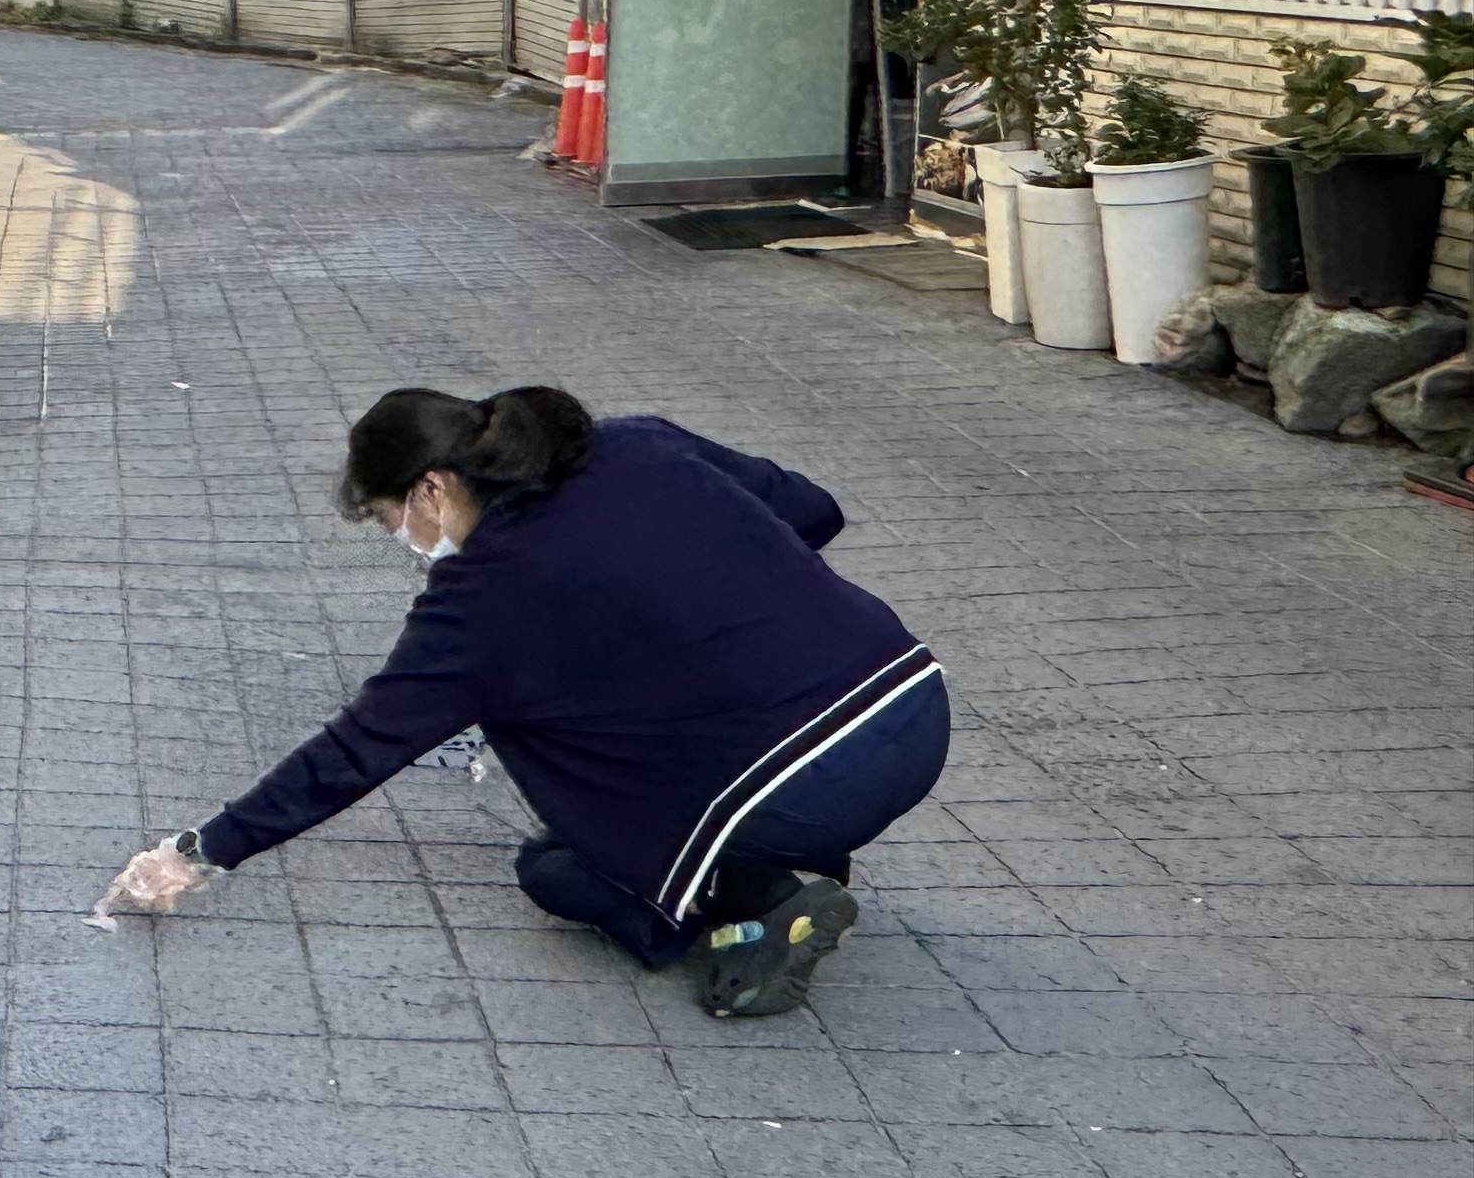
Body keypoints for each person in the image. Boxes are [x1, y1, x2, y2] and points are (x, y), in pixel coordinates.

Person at [104, 387, 946, 1020]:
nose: (404, 540)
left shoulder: (479, 602)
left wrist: (200, 851)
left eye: (392, 519)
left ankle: (751, 903)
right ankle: (768, 866)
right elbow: (813, 511)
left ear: (431, 490)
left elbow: (356, 750)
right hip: (913, 703)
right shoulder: (634, 443)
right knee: (601, 686)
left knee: (555, 869)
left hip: (794, 792)